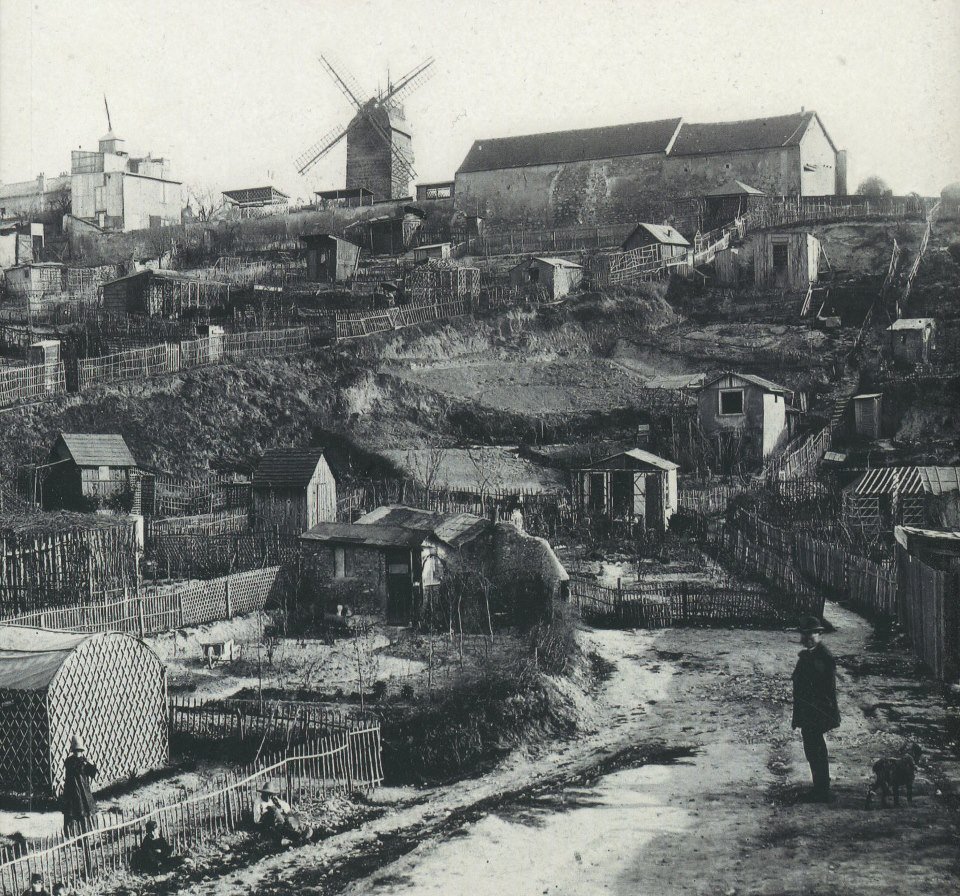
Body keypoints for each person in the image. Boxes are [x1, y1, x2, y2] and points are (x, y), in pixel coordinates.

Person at [791, 615, 840, 803]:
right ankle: (819, 786)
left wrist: (816, 708)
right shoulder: (810, 655)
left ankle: (822, 790)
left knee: (816, 749)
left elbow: (823, 687)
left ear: (819, 634)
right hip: (808, 711)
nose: (808, 637)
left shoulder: (822, 657)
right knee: (812, 749)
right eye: (806, 634)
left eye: (813, 633)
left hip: (817, 711)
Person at [62, 735, 98, 836]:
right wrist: (86, 764)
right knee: (75, 813)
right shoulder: (71, 762)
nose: (78, 753)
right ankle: (75, 835)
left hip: (83, 791)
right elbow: (75, 769)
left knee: (83, 811)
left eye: (79, 750)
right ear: (73, 751)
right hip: (73, 791)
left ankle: (84, 834)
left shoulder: (84, 762)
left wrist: (91, 765)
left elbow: (93, 774)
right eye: (76, 750)